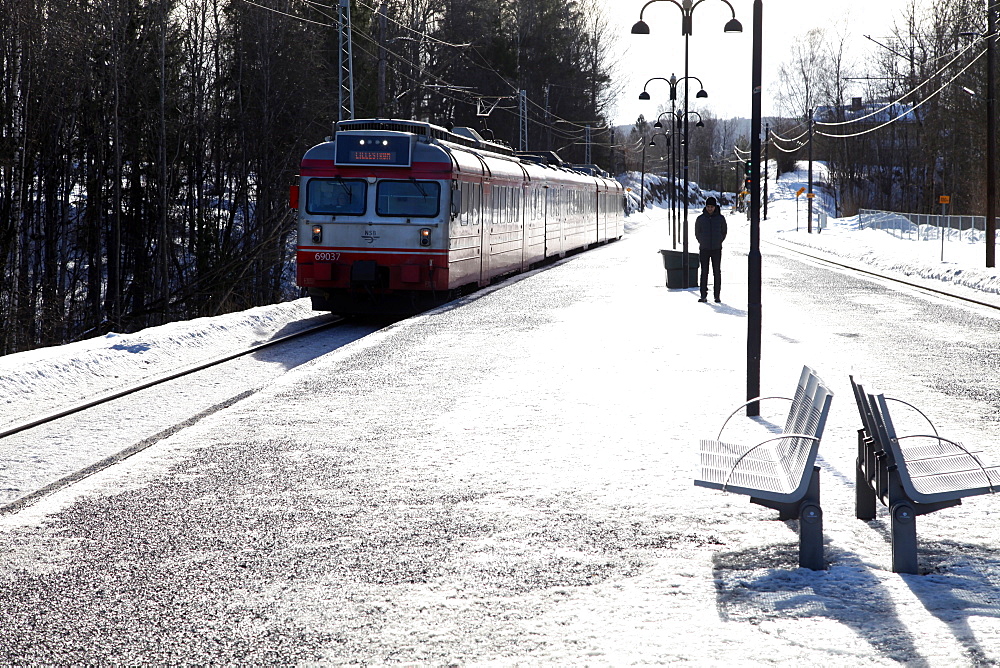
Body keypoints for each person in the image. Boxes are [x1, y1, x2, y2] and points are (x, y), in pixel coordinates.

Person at [694, 196, 727, 303]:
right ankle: (703, 295)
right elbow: (697, 232)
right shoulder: (700, 219)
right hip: (704, 249)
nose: (709, 209)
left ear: (715, 207)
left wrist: (719, 241)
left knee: (717, 272)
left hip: (716, 249)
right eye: (708, 206)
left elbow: (724, 231)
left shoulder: (721, 219)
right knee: (704, 272)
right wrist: (702, 241)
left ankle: (717, 296)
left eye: (711, 207)